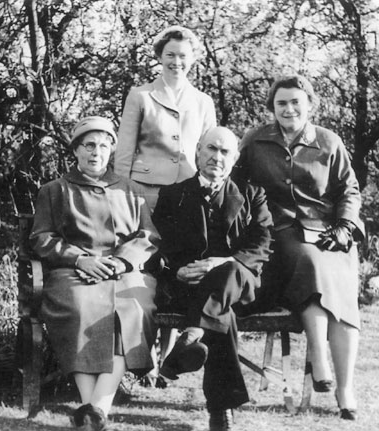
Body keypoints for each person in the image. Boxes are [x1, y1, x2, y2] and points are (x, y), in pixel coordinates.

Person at [233, 75, 365, 421]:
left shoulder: (328, 141)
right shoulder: (255, 140)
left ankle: (344, 387)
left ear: (309, 104)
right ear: (272, 108)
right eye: (281, 104)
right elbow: (235, 186)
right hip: (280, 232)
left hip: (328, 232)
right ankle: (320, 360)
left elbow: (349, 190)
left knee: (341, 291)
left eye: (296, 102)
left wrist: (345, 226)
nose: (289, 109)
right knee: (307, 260)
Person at [30, 116, 160, 430]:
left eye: (103, 146)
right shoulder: (55, 190)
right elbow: (41, 238)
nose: (96, 152)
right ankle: (96, 410)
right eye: (89, 145)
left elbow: (148, 236)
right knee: (80, 307)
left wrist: (121, 262)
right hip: (74, 274)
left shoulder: (129, 189)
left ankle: (93, 410)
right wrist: (78, 259)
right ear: (75, 150)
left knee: (130, 309)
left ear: (111, 150)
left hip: (123, 272)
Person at [152, 127, 273, 431]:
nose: (217, 157)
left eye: (225, 152)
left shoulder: (252, 195)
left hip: (238, 285)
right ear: (198, 152)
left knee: (229, 270)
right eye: (211, 149)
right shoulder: (174, 195)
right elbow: (161, 245)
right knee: (221, 317)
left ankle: (193, 330)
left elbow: (261, 245)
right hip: (191, 289)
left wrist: (223, 262)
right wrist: (175, 269)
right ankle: (221, 413)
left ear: (234, 159)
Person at [115, 24, 218, 384]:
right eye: (170, 55)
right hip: (146, 194)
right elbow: (125, 151)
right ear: (160, 56)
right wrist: (122, 195)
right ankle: (141, 359)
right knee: (148, 267)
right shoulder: (140, 96)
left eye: (183, 57)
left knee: (178, 263)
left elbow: (210, 150)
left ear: (193, 60)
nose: (177, 62)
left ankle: (166, 356)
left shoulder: (203, 102)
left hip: (187, 199)